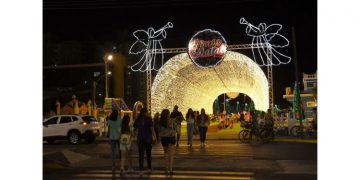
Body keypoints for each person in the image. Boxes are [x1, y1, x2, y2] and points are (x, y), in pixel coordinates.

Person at [133, 108, 157, 175]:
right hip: (148, 139)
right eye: (147, 112)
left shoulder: (137, 120)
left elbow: (134, 130)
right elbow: (152, 129)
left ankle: (141, 169)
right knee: (148, 154)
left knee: (141, 155)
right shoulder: (149, 119)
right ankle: (149, 168)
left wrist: (135, 135)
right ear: (145, 112)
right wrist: (155, 138)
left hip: (140, 139)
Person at [159, 109, 178, 174]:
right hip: (170, 138)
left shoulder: (160, 121)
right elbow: (173, 129)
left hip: (164, 138)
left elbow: (159, 131)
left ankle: (166, 169)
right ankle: (171, 169)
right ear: (168, 114)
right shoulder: (171, 120)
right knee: (171, 154)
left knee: (166, 153)